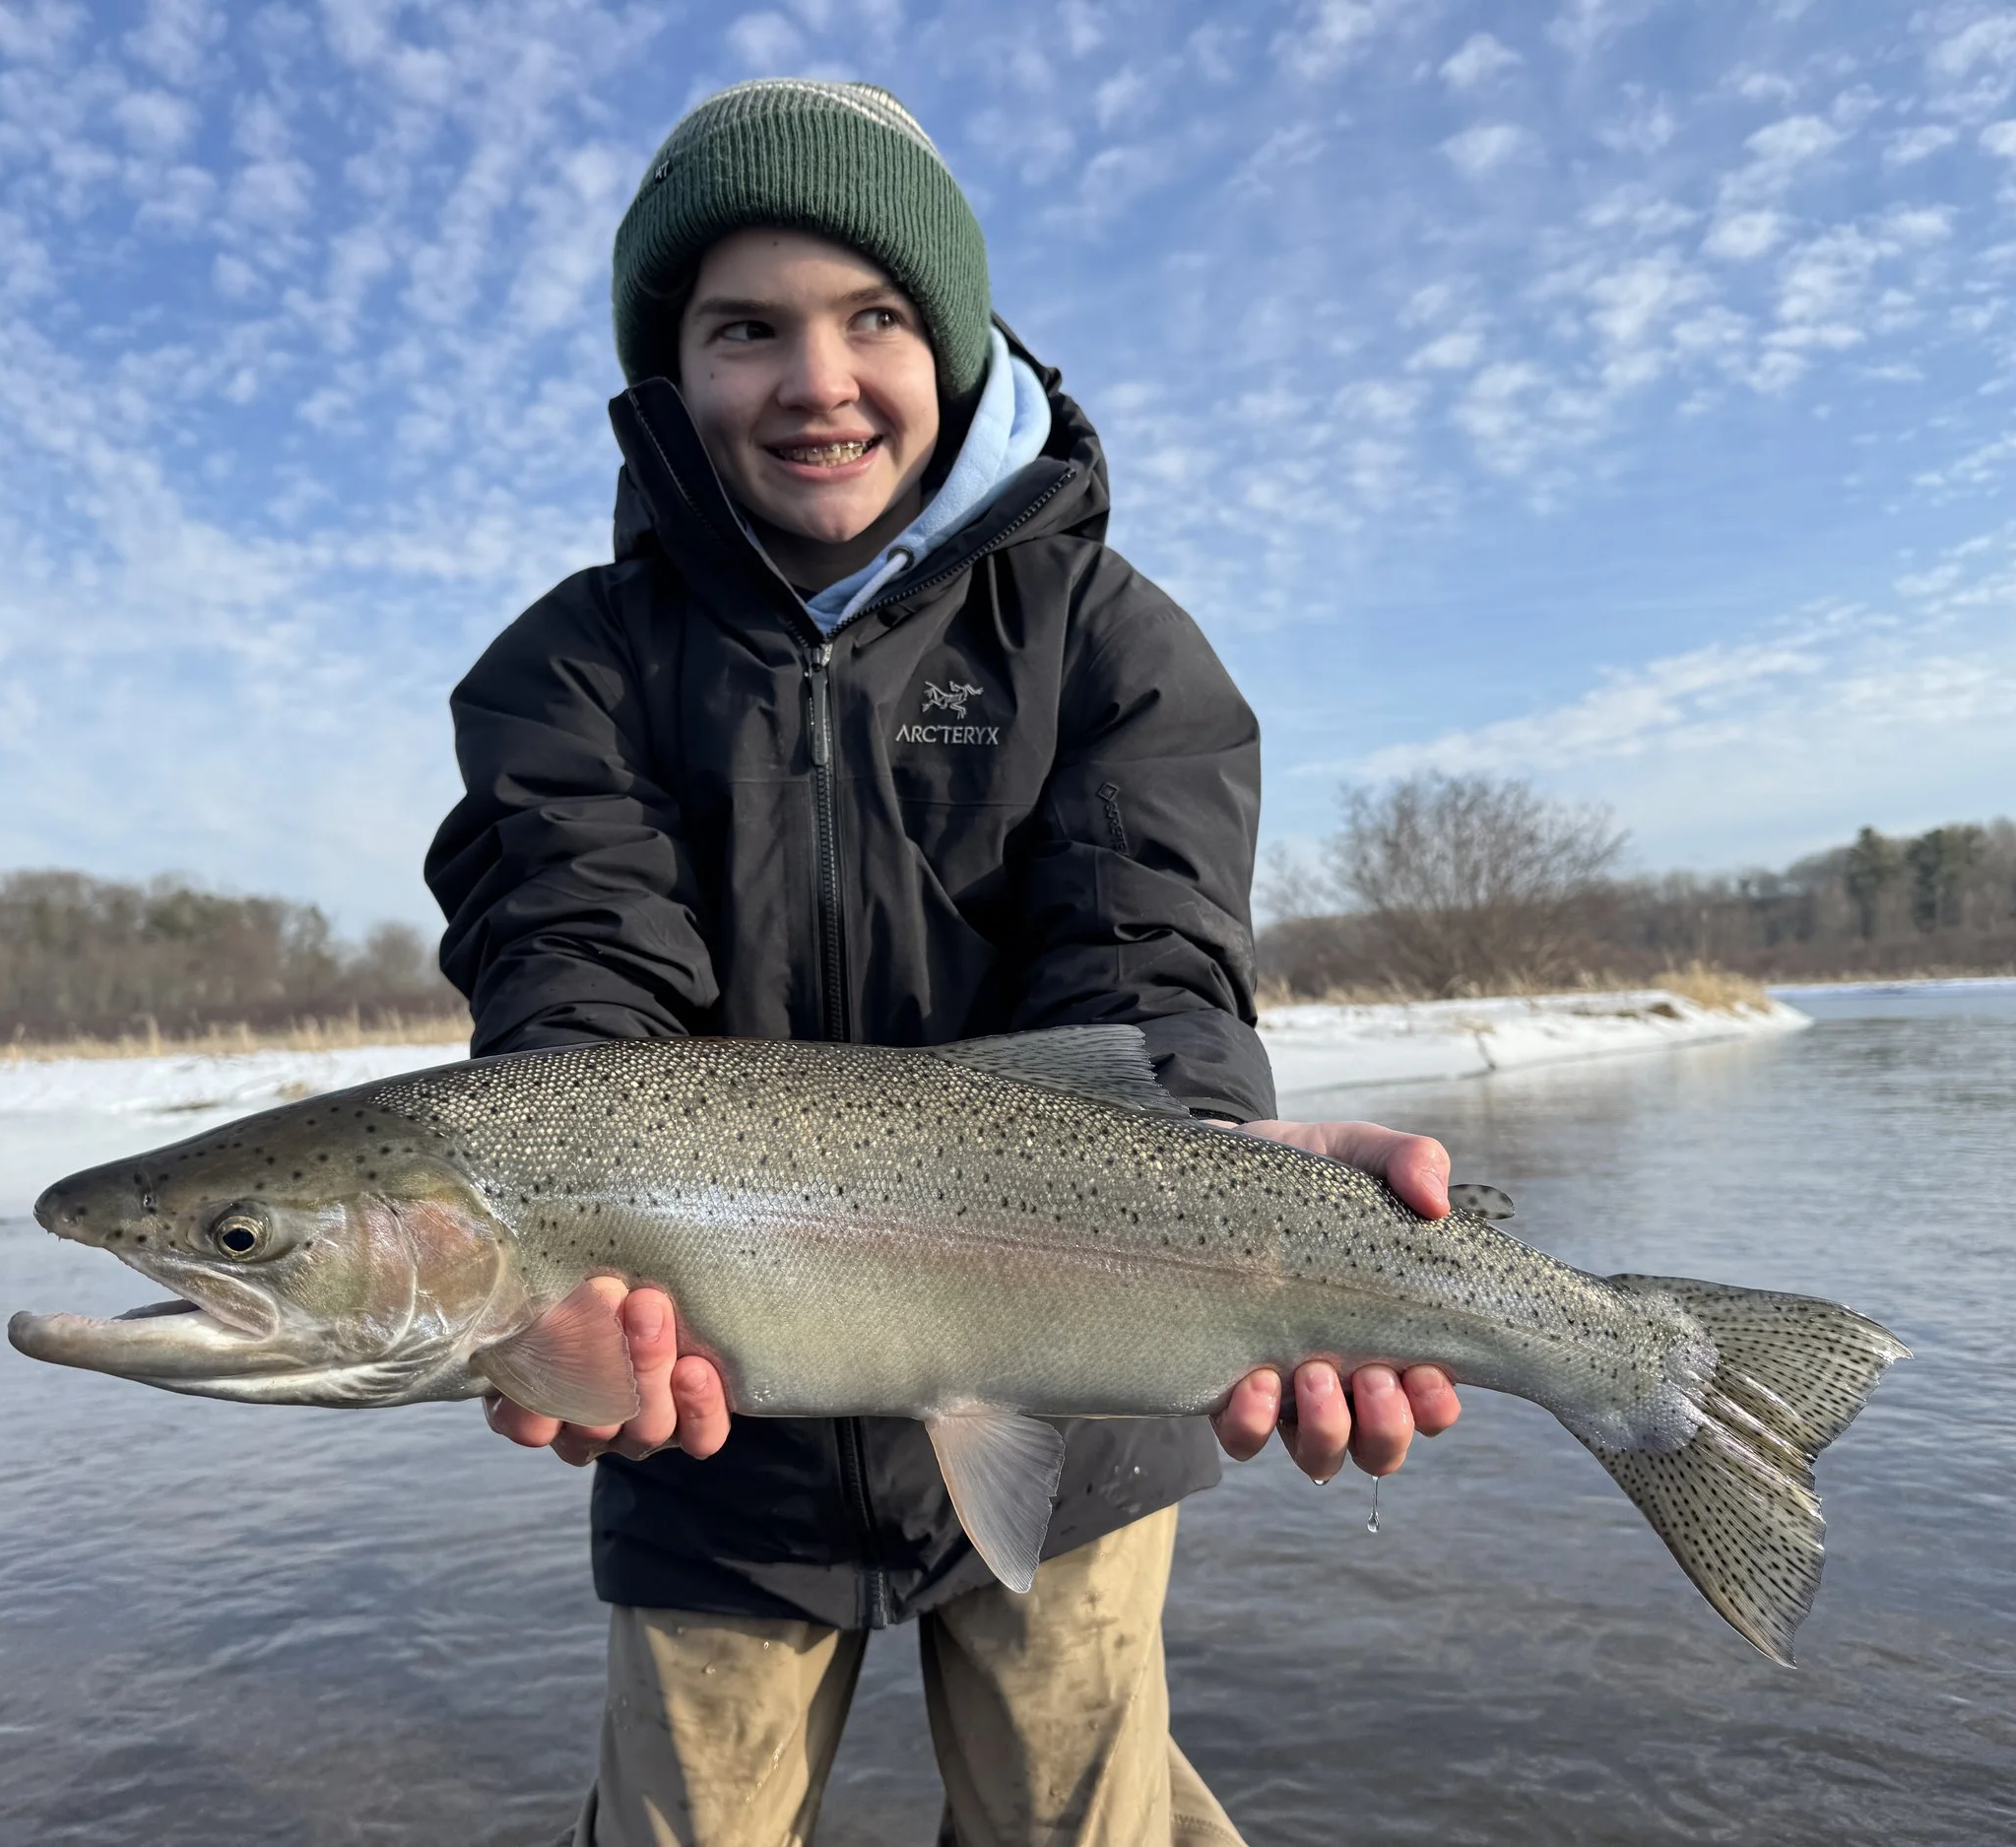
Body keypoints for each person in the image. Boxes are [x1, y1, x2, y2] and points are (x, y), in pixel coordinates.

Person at [425, 78, 1463, 1847]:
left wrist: (1224, 1175)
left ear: (960, 343)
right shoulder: (572, 671)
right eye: (745, 327)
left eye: (876, 316)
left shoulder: (1107, 637)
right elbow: (578, 970)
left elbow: (1145, 965)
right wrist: (566, 1263)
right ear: (673, 373)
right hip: (709, 1438)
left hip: (1087, 1391)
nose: (815, 377)